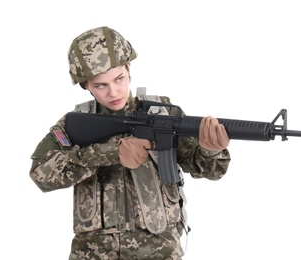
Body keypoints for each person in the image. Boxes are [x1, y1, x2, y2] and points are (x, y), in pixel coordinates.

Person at [29, 26, 231, 260]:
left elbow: (212, 171)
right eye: (100, 85)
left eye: (119, 79)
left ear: (129, 68)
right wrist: (108, 153)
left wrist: (210, 149)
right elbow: (40, 174)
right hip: (93, 254)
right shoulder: (76, 124)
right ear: (85, 85)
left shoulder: (163, 114)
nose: (113, 92)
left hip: (159, 251)